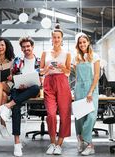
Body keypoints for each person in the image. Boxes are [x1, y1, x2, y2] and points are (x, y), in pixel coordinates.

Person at [0, 37, 40, 157]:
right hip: (18, 87)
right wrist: (14, 79)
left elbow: (40, 78)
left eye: (28, 46)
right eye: (24, 47)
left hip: (32, 89)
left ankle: (7, 105)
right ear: (21, 48)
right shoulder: (18, 60)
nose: (26, 49)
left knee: (36, 88)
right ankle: (17, 143)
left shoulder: (38, 60)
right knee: (16, 108)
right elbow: (12, 75)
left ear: (32, 47)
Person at [40, 24, 72, 155]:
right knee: (51, 114)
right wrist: (46, 69)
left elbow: (69, 72)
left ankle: (59, 144)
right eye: (54, 37)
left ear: (62, 39)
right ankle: (52, 142)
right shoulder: (45, 53)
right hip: (49, 82)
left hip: (62, 82)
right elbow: (40, 71)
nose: (56, 39)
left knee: (65, 114)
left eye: (58, 37)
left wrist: (62, 66)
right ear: (51, 39)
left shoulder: (67, 53)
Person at [73, 32, 100, 156]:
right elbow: (75, 77)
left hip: (91, 90)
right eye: (80, 43)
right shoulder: (76, 58)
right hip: (79, 89)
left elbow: (96, 76)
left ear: (88, 42)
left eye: (84, 42)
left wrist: (90, 91)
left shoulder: (95, 56)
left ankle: (90, 144)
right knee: (79, 117)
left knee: (91, 116)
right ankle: (80, 140)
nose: (82, 44)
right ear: (78, 45)